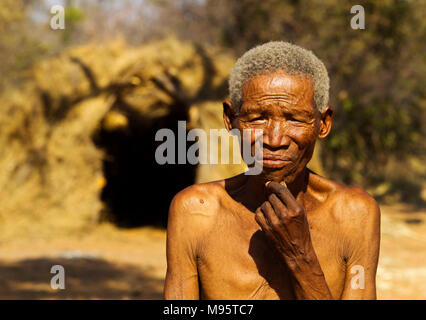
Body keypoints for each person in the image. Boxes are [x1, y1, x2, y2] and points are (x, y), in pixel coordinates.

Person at [163, 41, 380, 300]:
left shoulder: (354, 215)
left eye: (294, 119)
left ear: (323, 123)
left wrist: (301, 257)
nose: (275, 140)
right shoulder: (195, 211)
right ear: (230, 119)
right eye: (257, 118)